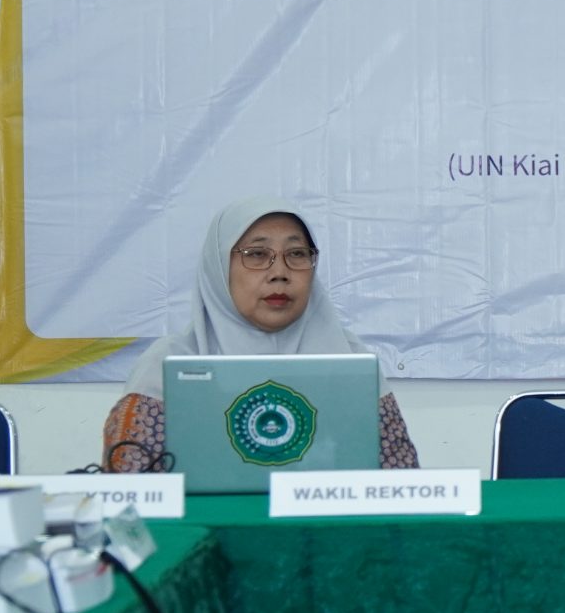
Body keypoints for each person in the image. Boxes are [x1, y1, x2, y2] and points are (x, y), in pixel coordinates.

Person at [102, 200, 419, 471]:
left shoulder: (351, 360)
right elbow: (130, 494)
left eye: (297, 253)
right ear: (219, 267)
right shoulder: (169, 365)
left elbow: (401, 484)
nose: (279, 272)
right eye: (256, 254)